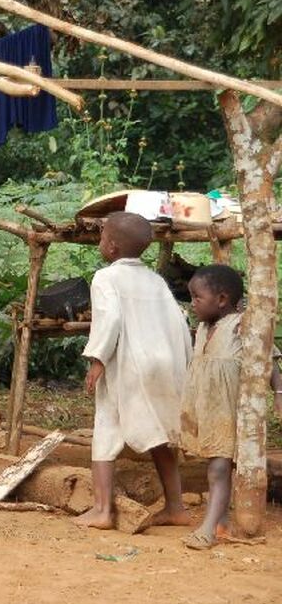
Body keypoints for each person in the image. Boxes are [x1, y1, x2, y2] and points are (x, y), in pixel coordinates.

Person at [76, 211, 191, 530]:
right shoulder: (156, 280)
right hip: (165, 364)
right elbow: (179, 323)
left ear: (111, 247)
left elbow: (109, 320)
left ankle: (101, 510)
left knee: (106, 427)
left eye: (101, 237)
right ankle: (176, 507)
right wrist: (185, 364)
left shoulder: (106, 278)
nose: (99, 242)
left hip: (128, 364)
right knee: (163, 433)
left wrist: (97, 360)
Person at [181, 264, 282, 549]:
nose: (192, 304)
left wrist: (279, 392)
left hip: (229, 410)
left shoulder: (241, 325)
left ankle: (208, 529)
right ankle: (222, 520)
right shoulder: (202, 328)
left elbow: (269, 359)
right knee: (216, 466)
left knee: (219, 469)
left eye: (197, 298)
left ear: (222, 300)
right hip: (208, 410)